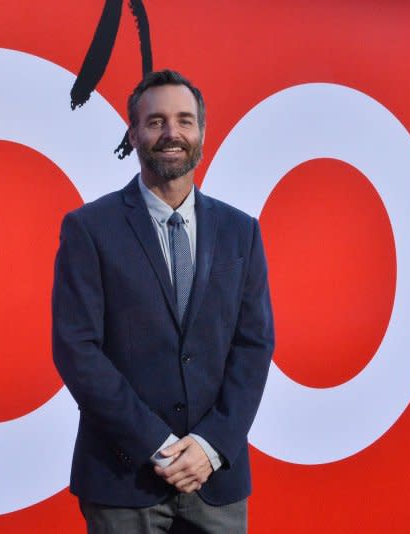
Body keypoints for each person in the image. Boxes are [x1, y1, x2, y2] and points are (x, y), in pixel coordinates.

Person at [52, 69, 275, 533]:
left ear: (202, 132)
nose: (171, 133)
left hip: (215, 478)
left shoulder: (241, 232)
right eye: (155, 122)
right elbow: (78, 350)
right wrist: (159, 446)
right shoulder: (89, 230)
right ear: (133, 133)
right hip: (122, 481)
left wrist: (211, 446)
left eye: (184, 120)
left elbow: (253, 346)